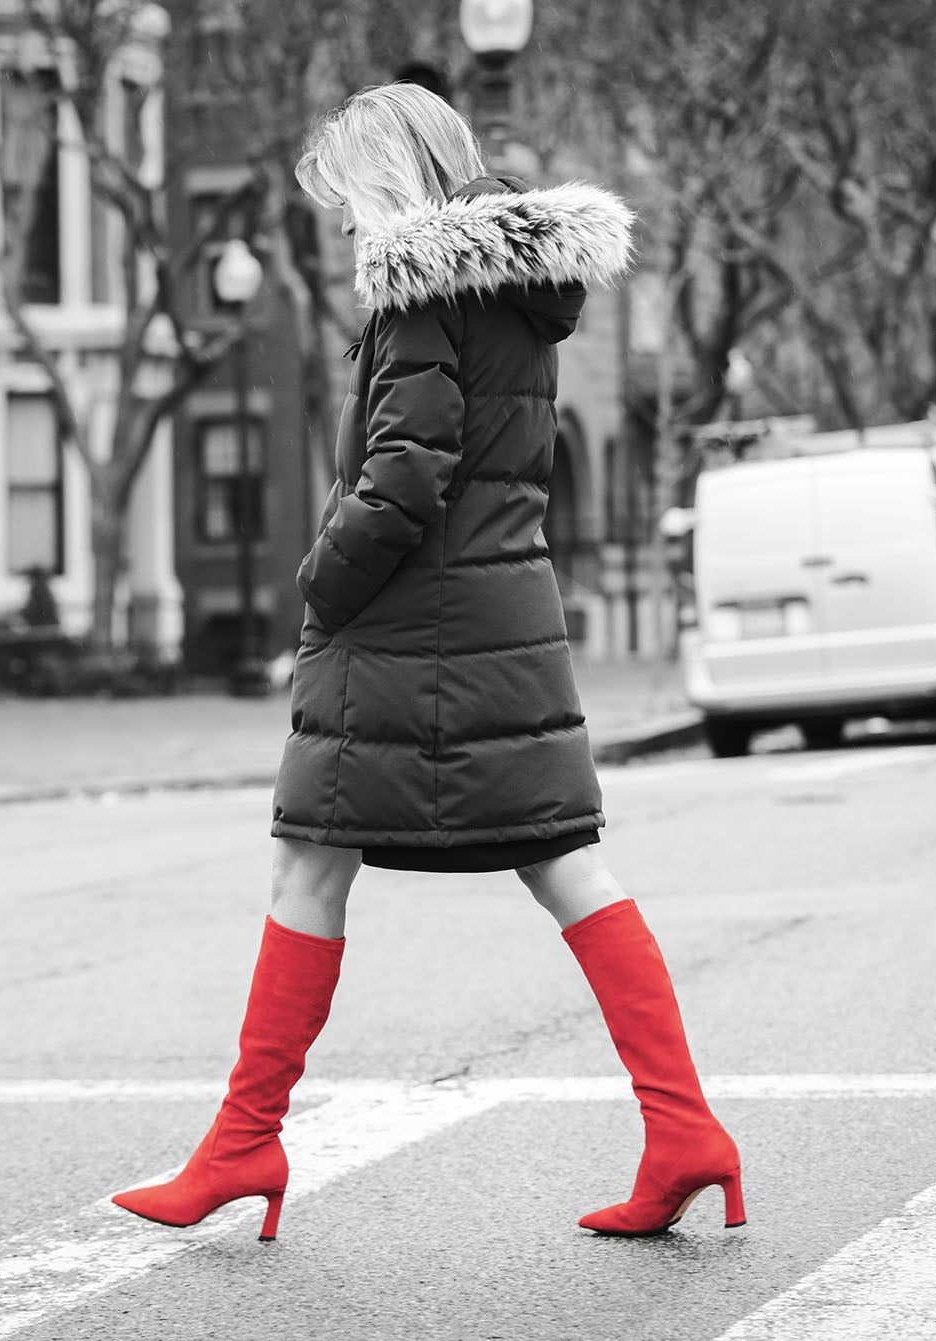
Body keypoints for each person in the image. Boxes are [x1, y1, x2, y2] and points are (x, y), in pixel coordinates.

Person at [112, 83, 744, 1242]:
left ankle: (245, 1144)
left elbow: (403, 479)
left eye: (348, 202)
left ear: (389, 180)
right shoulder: (514, 295)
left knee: (310, 865)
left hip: (411, 632)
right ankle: (684, 1128)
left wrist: (317, 586)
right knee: (557, 863)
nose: (346, 232)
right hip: (497, 624)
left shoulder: (416, 291)